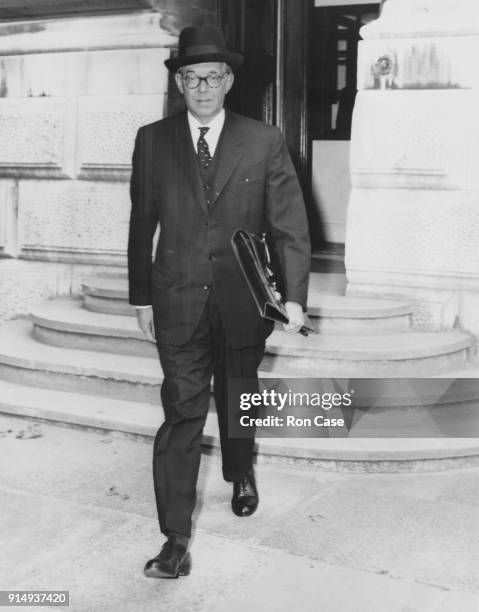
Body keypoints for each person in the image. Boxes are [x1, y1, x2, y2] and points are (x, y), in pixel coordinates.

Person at [128, 25, 311, 579]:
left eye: (212, 77)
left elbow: (290, 226)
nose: (202, 87)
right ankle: (174, 540)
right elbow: (142, 225)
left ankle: (241, 469)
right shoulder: (152, 139)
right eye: (191, 78)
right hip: (177, 298)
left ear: (228, 80)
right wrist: (141, 298)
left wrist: (294, 299)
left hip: (244, 299)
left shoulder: (264, 139)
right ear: (179, 83)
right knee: (181, 413)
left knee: (238, 395)